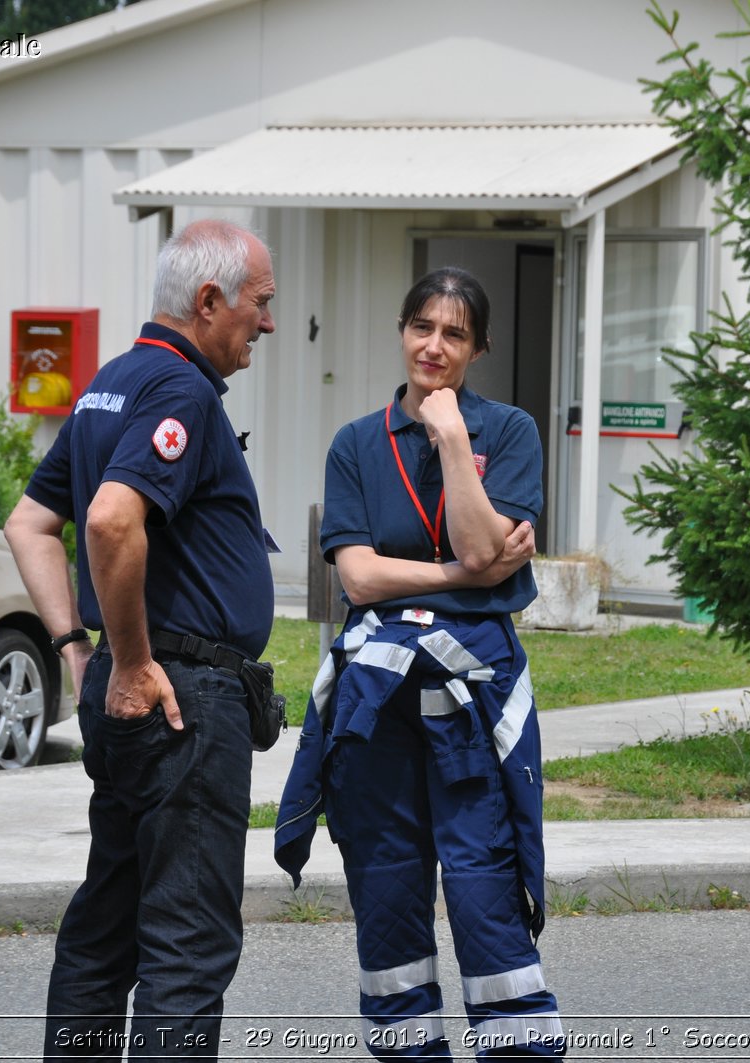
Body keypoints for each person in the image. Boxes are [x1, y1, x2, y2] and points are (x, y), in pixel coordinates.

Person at [4, 218, 277, 1060]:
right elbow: (113, 520)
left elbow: (28, 522)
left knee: (106, 930)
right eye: (260, 304)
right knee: (186, 946)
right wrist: (122, 661)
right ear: (208, 301)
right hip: (180, 704)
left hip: (139, 701)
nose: (266, 323)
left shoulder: (107, 386)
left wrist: (74, 650)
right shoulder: (180, 392)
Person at [275, 267, 565, 1059]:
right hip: (381, 711)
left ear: (480, 347)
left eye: (455, 333)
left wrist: (450, 440)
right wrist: (465, 578)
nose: (434, 346)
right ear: (402, 330)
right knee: (389, 893)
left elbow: (477, 538)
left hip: (470, 711)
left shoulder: (507, 432)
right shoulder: (356, 445)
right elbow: (359, 577)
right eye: (422, 327)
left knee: (485, 893)